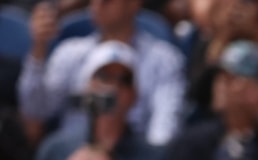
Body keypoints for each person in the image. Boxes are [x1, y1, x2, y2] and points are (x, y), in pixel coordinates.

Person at [17, 0, 188, 146]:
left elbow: (164, 131)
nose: (97, 5)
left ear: (134, 3)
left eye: (107, 0)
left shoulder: (164, 59)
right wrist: (39, 48)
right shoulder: (69, 52)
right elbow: (35, 116)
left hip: (133, 157)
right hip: (72, 151)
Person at [30, 41, 166, 160]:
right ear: (86, 88)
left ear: (135, 95)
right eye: (104, 77)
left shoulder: (156, 159)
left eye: (124, 80)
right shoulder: (54, 151)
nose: (114, 87)